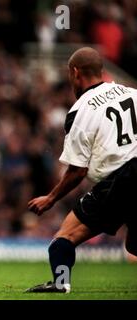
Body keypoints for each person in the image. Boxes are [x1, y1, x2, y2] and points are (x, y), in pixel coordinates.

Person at [26, 47, 137, 293]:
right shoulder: (132, 92)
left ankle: (60, 283)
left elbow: (77, 171)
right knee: (133, 246)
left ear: (75, 74)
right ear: (103, 71)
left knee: (63, 239)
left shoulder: (80, 110)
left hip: (122, 179)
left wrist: (50, 198)